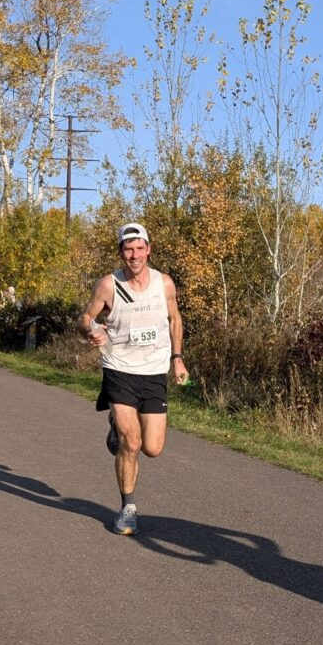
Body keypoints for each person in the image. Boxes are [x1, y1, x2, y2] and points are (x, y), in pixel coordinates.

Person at [78, 222, 189, 536]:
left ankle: (116, 425)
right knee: (132, 443)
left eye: (140, 248)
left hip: (153, 372)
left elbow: (175, 319)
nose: (135, 255)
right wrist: (91, 331)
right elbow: (85, 318)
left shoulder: (163, 283)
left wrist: (177, 358)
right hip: (120, 369)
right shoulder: (109, 285)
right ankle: (128, 508)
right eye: (129, 249)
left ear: (149, 250)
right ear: (121, 252)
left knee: (152, 448)